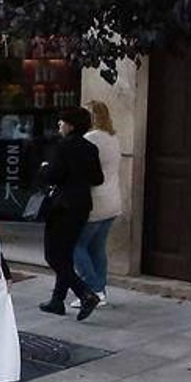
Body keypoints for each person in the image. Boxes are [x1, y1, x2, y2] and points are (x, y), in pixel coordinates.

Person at [38, 106, 104, 321]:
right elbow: (97, 178)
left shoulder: (63, 146)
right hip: (82, 205)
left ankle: (85, 293)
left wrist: (44, 167)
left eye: (62, 121)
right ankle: (57, 300)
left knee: (54, 255)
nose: (59, 125)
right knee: (65, 254)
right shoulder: (90, 148)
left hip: (62, 206)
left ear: (71, 125)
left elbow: (54, 175)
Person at [73, 100, 121, 308]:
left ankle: (91, 290)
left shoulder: (90, 139)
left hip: (95, 202)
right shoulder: (113, 138)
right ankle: (100, 290)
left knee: (76, 245)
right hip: (113, 200)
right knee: (97, 248)